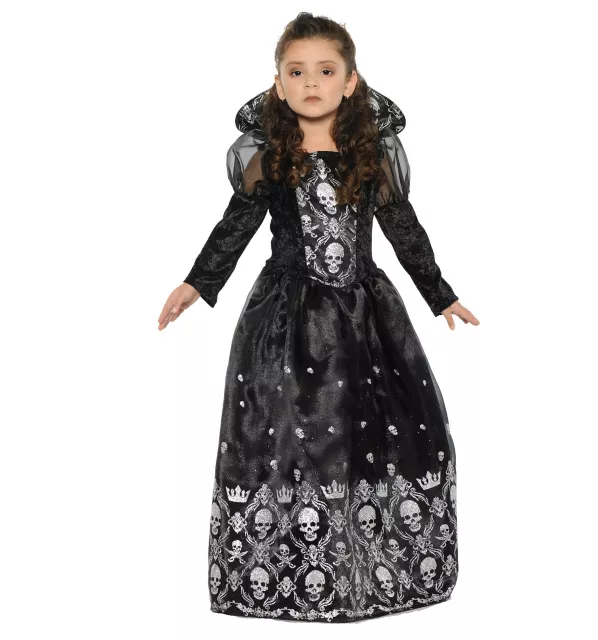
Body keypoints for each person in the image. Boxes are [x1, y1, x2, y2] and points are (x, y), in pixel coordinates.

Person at [158, 12, 479, 623]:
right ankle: (288, 574)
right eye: (297, 71)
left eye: (326, 71)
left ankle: (370, 569)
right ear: (278, 84)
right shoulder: (271, 157)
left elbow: (403, 227)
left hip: (364, 316)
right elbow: (236, 225)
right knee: (288, 434)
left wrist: (439, 294)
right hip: (286, 317)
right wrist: (198, 283)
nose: (311, 82)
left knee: (369, 431)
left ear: (350, 81)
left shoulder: (370, 154)